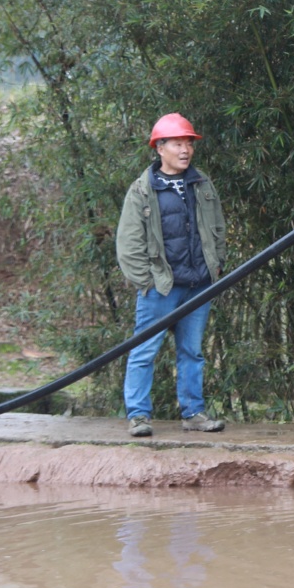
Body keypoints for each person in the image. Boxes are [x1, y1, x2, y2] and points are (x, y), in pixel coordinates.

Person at [115, 113, 228, 437]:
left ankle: (193, 413)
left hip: (198, 286)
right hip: (161, 288)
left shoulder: (201, 183)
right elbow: (128, 243)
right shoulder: (142, 190)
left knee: (192, 352)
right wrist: (146, 282)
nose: (185, 150)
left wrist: (216, 265)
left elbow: (218, 227)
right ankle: (138, 415)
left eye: (188, 144)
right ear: (160, 148)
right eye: (178, 144)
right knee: (144, 352)